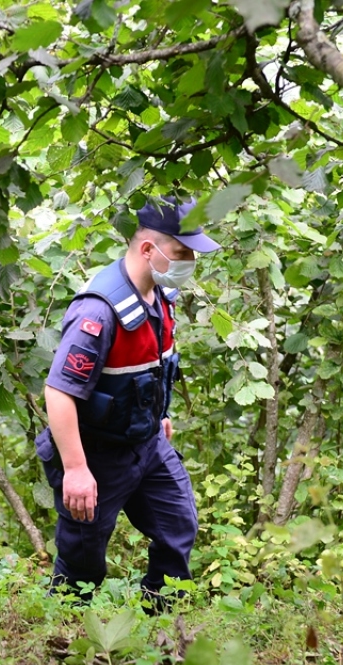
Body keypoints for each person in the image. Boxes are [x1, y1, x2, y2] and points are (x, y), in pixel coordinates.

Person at [35, 197, 221, 614]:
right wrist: (77, 470)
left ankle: (162, 620)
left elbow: (152, 367)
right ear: (147, 250)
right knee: (83, 564)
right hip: (95, 453)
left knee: (178, 525)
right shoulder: (97, 312)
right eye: (181, 252)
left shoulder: (160, 298)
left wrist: (161, 414)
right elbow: (59, 392)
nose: (189, 261)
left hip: (148, 443)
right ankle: (62, 631)